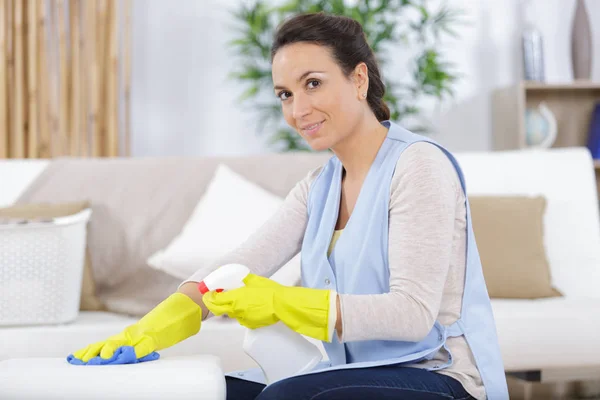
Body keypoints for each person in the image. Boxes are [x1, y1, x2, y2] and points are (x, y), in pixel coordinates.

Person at [70, 12, 509, 400]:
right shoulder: (318, 187)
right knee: (204, 392)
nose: (298, 109)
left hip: (439, 376)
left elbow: (413, 314)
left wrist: (282, 301)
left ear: (359, 80)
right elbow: (241, 263)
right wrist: (157, 324)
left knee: (289, 396)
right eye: (285, 94)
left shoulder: (419, 166)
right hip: (353, 373)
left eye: (312, 84)